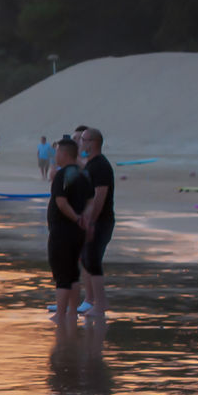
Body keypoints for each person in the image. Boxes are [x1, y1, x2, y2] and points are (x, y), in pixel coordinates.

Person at [47, 138, 92, 326]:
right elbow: (91, 201)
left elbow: (61, 202)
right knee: (73, 272)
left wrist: (76, 217)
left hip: (62, 231)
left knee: (62, 274)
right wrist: (84, 218)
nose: (56, 155)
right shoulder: (84, 174)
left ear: (64, 154)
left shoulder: (63, 175)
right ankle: (72, 312)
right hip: (77, 232)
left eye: (57, 151)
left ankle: (60, 314)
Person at [79, 127, 114, 315]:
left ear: (92, 143)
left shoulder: (100, 165)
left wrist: (91, 222)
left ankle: (101, 303)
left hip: (101, 221)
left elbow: (100, 196)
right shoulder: (91, 164)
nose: (80, 143)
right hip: (93, 221)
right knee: (88, 259)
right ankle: (93, 301)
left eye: (83, 139)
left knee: (93, 260)